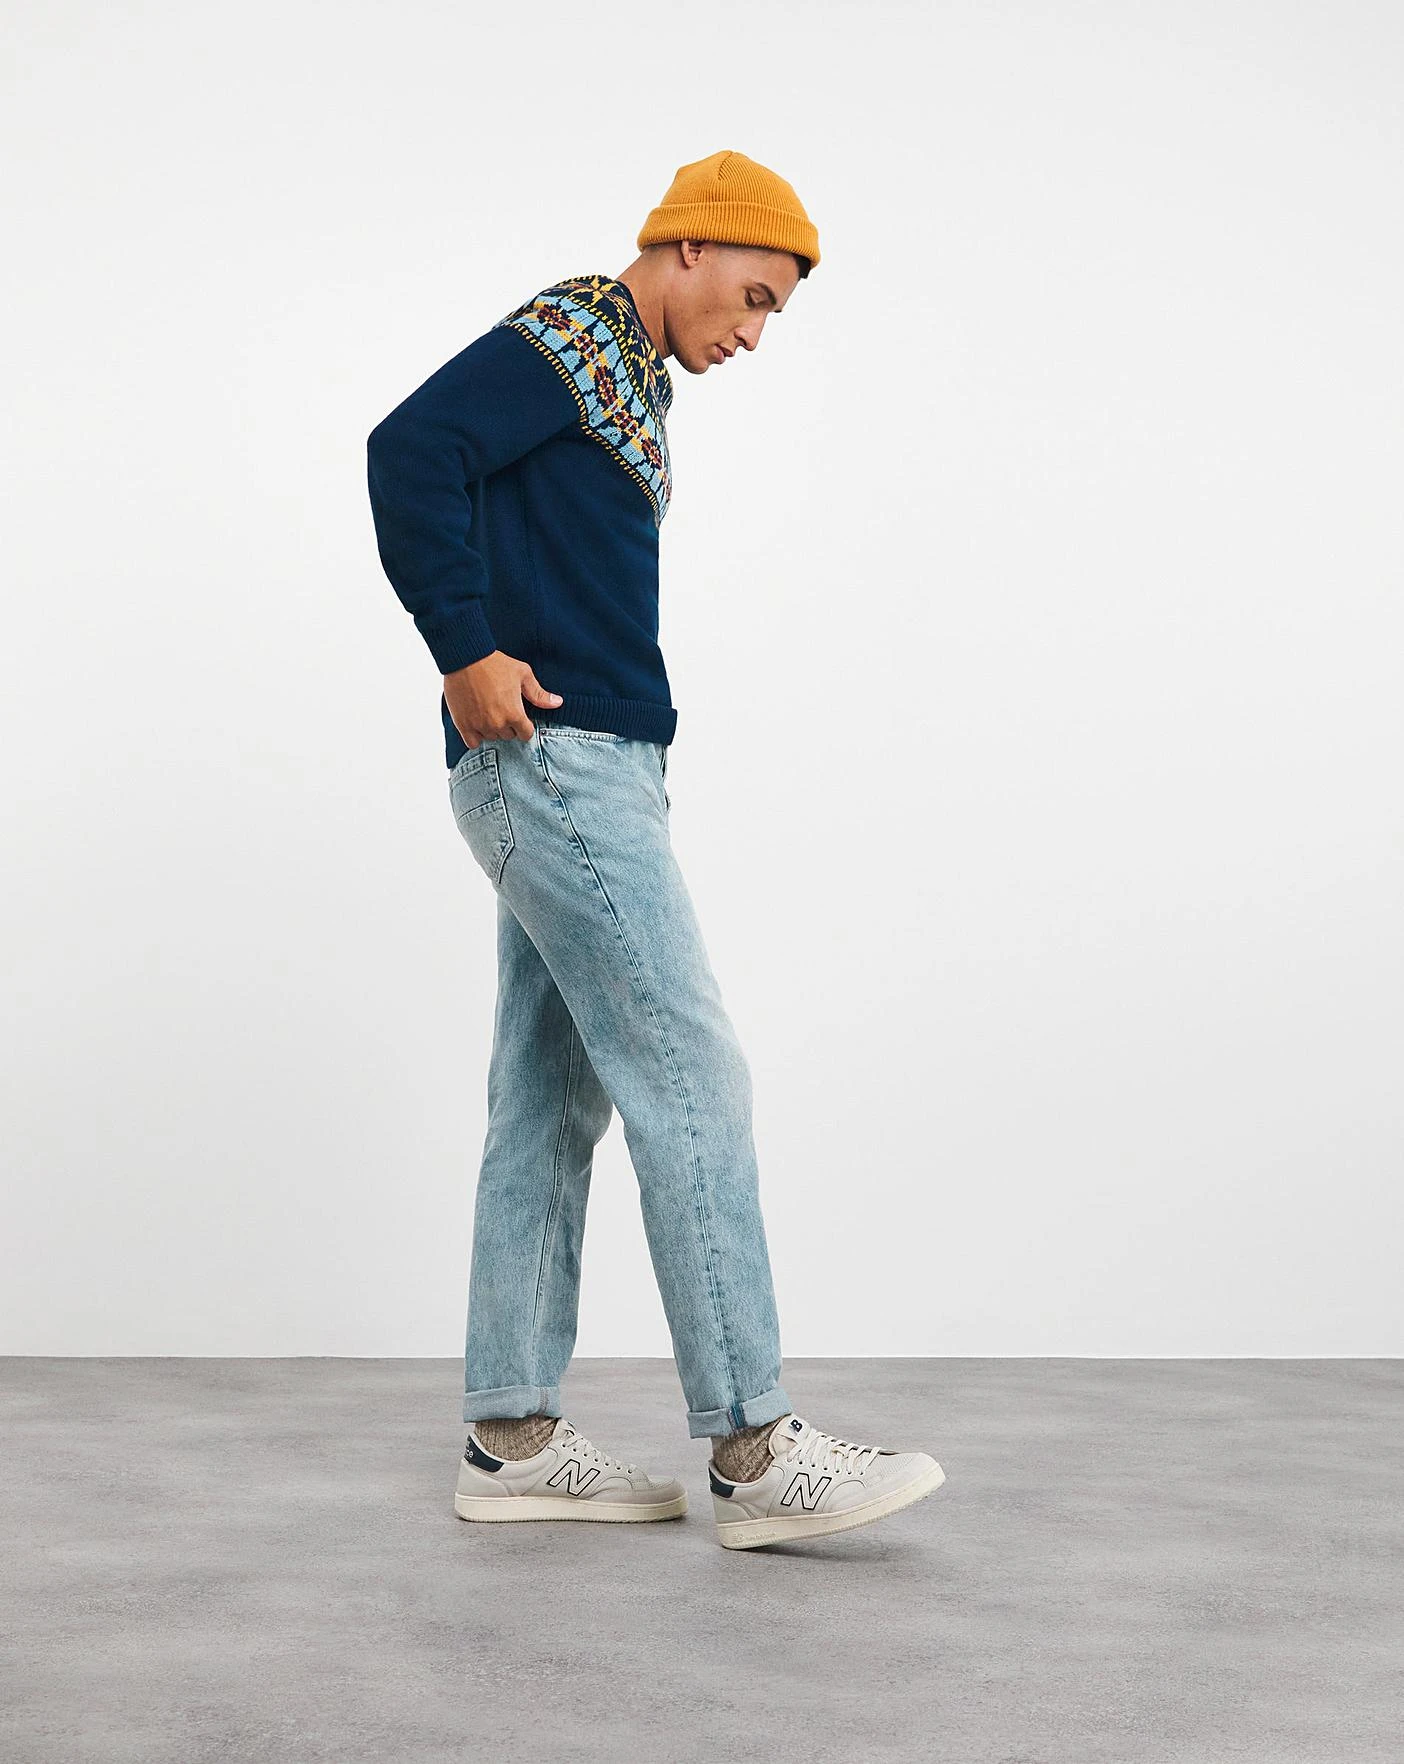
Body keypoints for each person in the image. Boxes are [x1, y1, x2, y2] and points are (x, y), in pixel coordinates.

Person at [366, 149, 945, 1548]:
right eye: (753, 298)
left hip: (580, 765)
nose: (754, 333)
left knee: (548, 1099)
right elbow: (409, 448)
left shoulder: (626, 373)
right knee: (692, 1073)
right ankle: (755, 1448)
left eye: (772, 315)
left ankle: (511, 1439)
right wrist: (463, 649)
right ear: (688, 246)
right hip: (559, 765)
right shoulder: (573, 335)